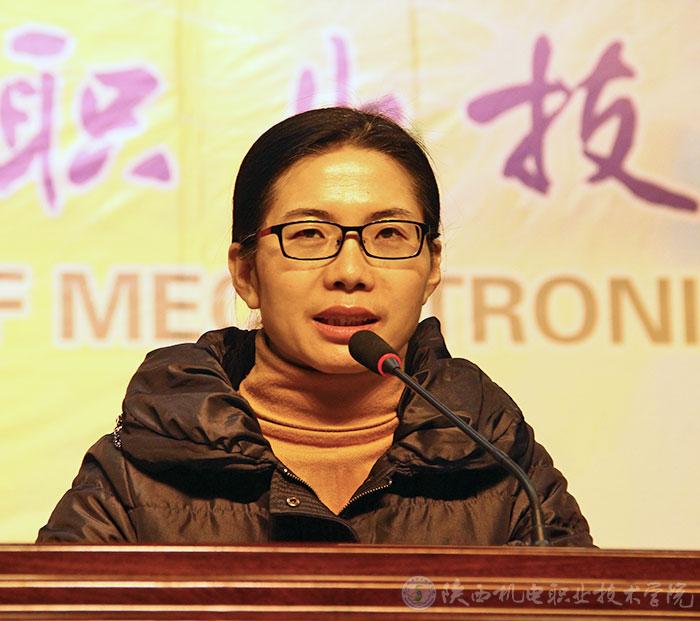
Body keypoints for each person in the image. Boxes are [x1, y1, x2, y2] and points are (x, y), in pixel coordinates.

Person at [38, 107, 593, 545]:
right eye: (308, 235)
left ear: (432, 267)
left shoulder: (501, 462)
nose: (350, 272)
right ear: (246, 273)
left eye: (389, 235)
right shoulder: (135, 471)